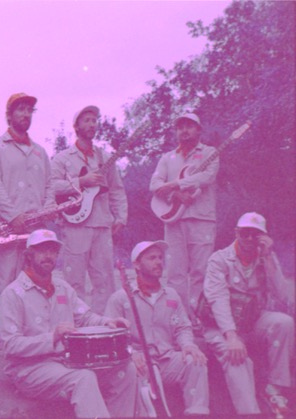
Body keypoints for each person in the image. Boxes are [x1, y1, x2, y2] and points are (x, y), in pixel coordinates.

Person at [0, 229, 141, 418]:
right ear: (28, 255)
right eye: (42, 250)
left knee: (126, 369)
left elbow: (85, 317)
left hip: (68, 362)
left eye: (53, 250)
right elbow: (10, 345)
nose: (48, 255)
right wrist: (52, 338)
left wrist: (108, 322)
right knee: (84, 377)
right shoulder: (12, 294)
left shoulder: (62, 288)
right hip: (29, 369)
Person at [202, 212, 294, 415]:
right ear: (236, 233)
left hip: (253, 321)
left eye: (256, 234)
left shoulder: (265, 257)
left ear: (264, 237)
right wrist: (231, 336)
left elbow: (282, 295)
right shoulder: (219, 259)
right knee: (236, 357)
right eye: (245, 233)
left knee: (284, 322)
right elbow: (217, 299)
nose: (250, 239)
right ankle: (249, 412)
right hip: (220, 326)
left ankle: (275, 387)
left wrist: (268, 256)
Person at [105, 241, 210, 415]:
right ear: (137, 265)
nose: (158, 262)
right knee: (135, 372)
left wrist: (187, 345)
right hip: (139, 362)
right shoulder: (120, 298)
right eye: (152, 258)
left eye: (160, 258)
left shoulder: (171, 295)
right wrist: (130, 353)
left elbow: (182, 327)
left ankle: (197, 413)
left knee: (196, 362)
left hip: (167, 358)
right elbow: (111, 336)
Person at [51, 106, 127, 313]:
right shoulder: (63, 158)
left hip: (102, 224)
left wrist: (121, 217)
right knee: (74, 279)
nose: (91, 124)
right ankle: (76, 322)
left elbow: (116, 189)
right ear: (76, 127)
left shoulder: (105, 158)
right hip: (75, 225)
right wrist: (81, 181)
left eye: (94, 120)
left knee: (105, 280)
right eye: (86, 120)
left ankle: (104, 322)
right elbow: (51, 186)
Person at [150, 112, 218, 320]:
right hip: (174, 221)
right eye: (180, 127)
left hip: (202, 219)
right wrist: (174, 194)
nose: (184, 131)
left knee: (201, 271)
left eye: (189, 126)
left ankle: (199, 318)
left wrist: (176, 184)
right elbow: (154, 184)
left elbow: (207, 177)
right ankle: (179, 319)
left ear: (199, 130)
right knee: (175, 272)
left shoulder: (210, 153)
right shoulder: (167, 158)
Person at [0, 93, 55, 295]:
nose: (26, 114)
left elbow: (50, 184)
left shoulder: (40, 152)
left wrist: (49, 208)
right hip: (7, 230)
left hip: (36, 231)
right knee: (8, 285)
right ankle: (7, 318)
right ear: (9, 115)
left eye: (29, 110)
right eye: (21, 110)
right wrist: (13, 216)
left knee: (36, 285)